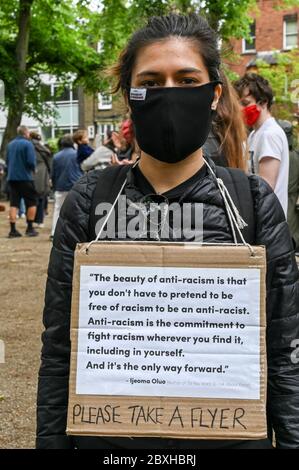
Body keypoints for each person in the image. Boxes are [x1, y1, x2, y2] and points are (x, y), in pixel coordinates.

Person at [37, 13, 299, 449]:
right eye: (151, 82)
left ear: (214, 95)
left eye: (186, 78)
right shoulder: (88, 201)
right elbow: (59, 349)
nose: (169, 93)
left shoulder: (252, 202)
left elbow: (285, 348)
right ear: (129, 95)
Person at [234, 73, 289, 216]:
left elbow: (265, 188)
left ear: (263, 102)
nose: (240, 109)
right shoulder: (254, 134)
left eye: (245, 103)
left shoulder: (270, 134)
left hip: (270, 221)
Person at [6, 125, 38, 238]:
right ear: (26, 133)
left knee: (14, 203)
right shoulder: (28, 144)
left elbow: (7, 161)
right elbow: (30, 161)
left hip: (12, 177)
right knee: (32, 202)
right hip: (25, 177)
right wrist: (34, 169)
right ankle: (30, 228)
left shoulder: (10, 144)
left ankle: (13, 229)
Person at [50, 134, 83, 239]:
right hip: (75, 186)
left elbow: (53, 174)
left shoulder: (56, 156)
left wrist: (55, 187)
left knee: (58, 209)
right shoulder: (77, 154)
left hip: (60, 186)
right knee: (76, 210)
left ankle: (54, 232)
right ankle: (76, 233)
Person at [30, 131, 51, 227]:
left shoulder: (29, 147)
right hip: (43, 173)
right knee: (42, 197)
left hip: (31, 173)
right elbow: (49, 163)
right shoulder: (44, 149)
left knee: (31, 198)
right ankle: (40, 221)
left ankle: (30, 219)